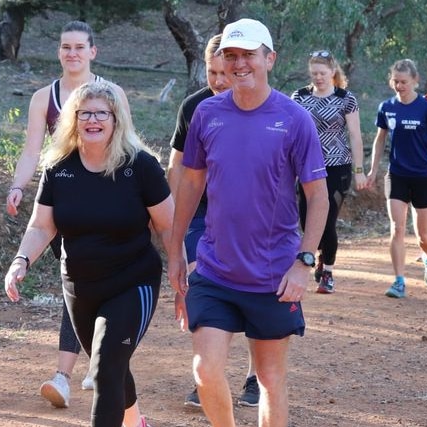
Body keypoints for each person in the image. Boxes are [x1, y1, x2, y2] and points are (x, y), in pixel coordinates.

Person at [167, 18, 329, 427]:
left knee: (270, 379)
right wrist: (173, 251)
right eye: (231, 55)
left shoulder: (295, 119)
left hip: (272, 275)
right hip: (215, 269)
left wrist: (303, 262)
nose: (239, 64)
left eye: (249, 55)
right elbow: (190, 185)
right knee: (205, 370)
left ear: (269, 59)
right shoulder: (206, 113)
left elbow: (318, 196)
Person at [5, 81, 173, 427]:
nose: (93, 120)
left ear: (116, 119)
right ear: (73, 118)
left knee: (106, 364)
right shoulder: (59, 168)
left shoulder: (140, 166)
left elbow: (168, 226)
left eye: (101, 114)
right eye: (85, 113)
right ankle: (134, 422)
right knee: (109, 361)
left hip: (132, 281)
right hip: (80, 286)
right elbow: (42, 226)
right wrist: (21, 260)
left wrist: (183, 273)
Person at [5, 20, 129, 407]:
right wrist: (17, 185)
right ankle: (65, 376)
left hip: (107, 202)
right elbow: (31, 151)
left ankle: (98, 363)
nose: (71, 53)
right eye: (65, 47)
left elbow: (127, 147)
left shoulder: (112, 94)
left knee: (99, 283)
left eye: (79, 47)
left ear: (93, 51)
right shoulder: (45, 97)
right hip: (64, 201)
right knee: (74, 280)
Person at [167, 33, 259, 408]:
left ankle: (254, 376)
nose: (219, 81)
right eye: (212, 72)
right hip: (199, 211)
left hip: (246, 213)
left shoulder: (256, 106)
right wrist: (173, 219)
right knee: (198, 283)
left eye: (225, 71)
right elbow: (176, 165)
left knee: (253, 290)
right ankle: (206, 374)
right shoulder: (194, 108)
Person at [291, 50, 368, 294]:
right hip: (307, 166)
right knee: (307, 219)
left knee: (329, 218)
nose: (318, 78)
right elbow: (291, 133)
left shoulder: (346, 99)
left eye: (322, 73)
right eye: (314, 73)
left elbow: (355, 136)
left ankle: (328, 272)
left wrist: (359, 170)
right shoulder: (300, 97)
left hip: (338, 166)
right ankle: (321, 254)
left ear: (333, 72)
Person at [367, 59, 427, 298]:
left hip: (422, 176)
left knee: (425, 235)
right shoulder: (387, 107)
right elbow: (380, 139)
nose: (399, 86)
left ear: (415, 81)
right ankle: (399, 281)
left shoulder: (426, 108)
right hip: (397, 174)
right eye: (395, 81)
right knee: (396, 228)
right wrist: (372, 170)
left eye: (404, 82)